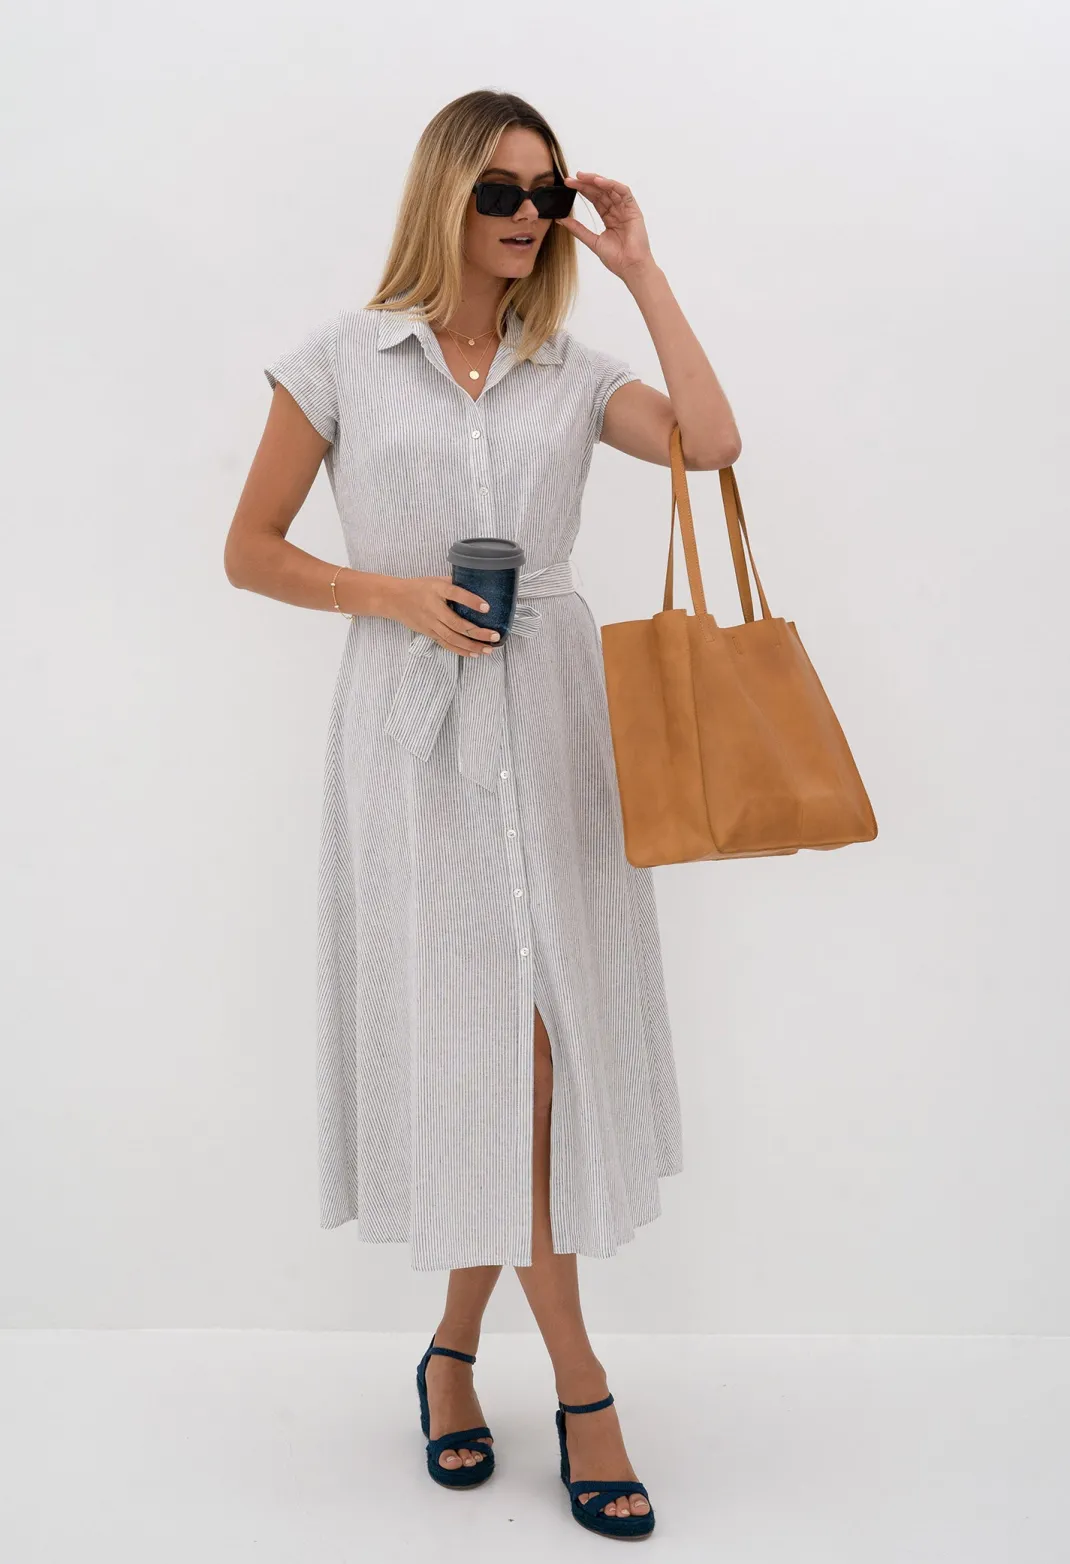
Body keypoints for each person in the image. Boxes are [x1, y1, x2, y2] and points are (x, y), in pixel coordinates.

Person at [224, 88, 740, 1539]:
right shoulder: (342, 359)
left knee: (530, 1059)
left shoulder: (571, 371)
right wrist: (392, 595)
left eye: (545, 193)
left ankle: (451, 1356)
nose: (526, 216)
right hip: (414, 741)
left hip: (557, 734)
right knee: (497, 1059)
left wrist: (640, 271)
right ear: (443, 197)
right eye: (499, 191)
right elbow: (249, 550)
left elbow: (712, 443)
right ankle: (583, 1386)